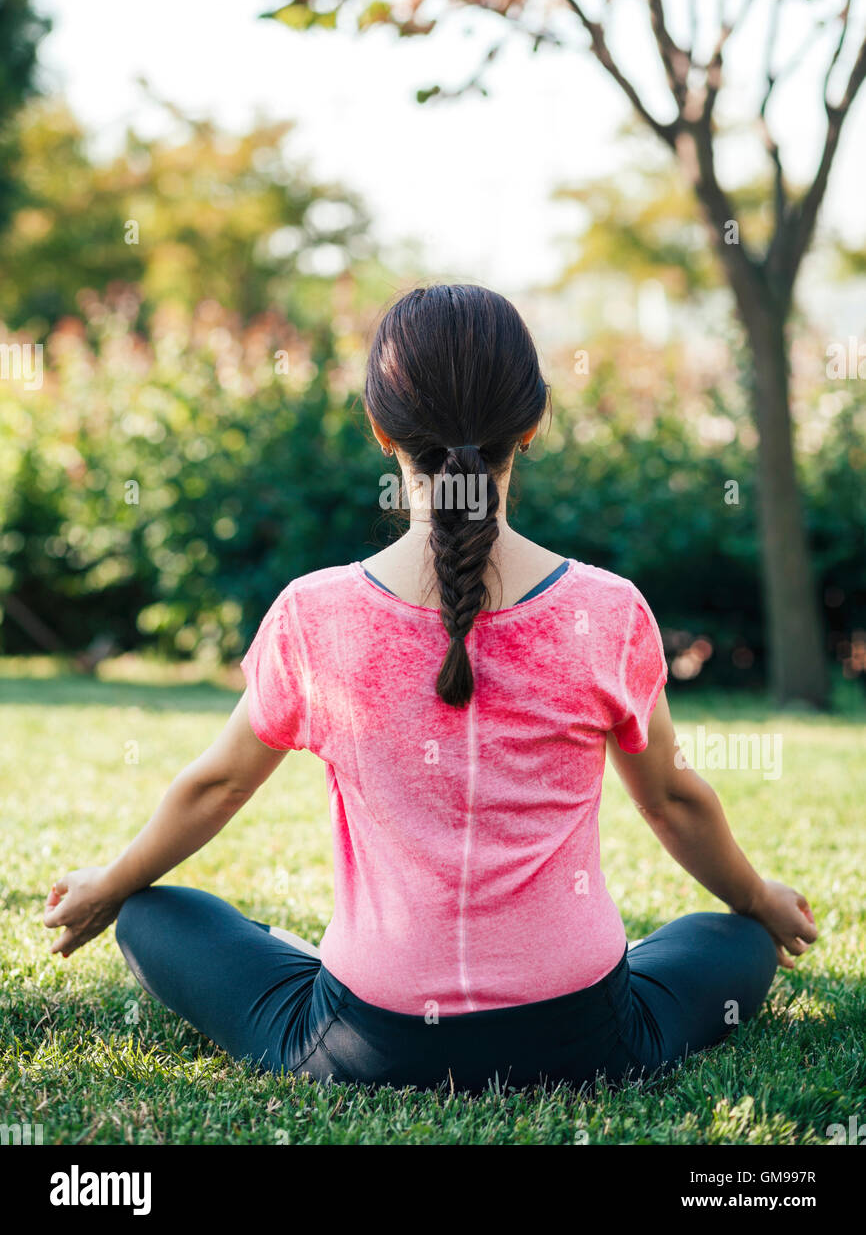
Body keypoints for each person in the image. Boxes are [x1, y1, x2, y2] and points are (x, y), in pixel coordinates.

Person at [43, 283, 817, 1094]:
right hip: (583, 1033)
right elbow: (673, 803)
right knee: (734, 937)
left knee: (152, 913)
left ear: (382, 429)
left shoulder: (316, 615)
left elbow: (218, 783)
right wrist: (759, 899)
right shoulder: (609, 611)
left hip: (370, 1041)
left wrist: (112, 883)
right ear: (535, 422)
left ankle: (310, 959)